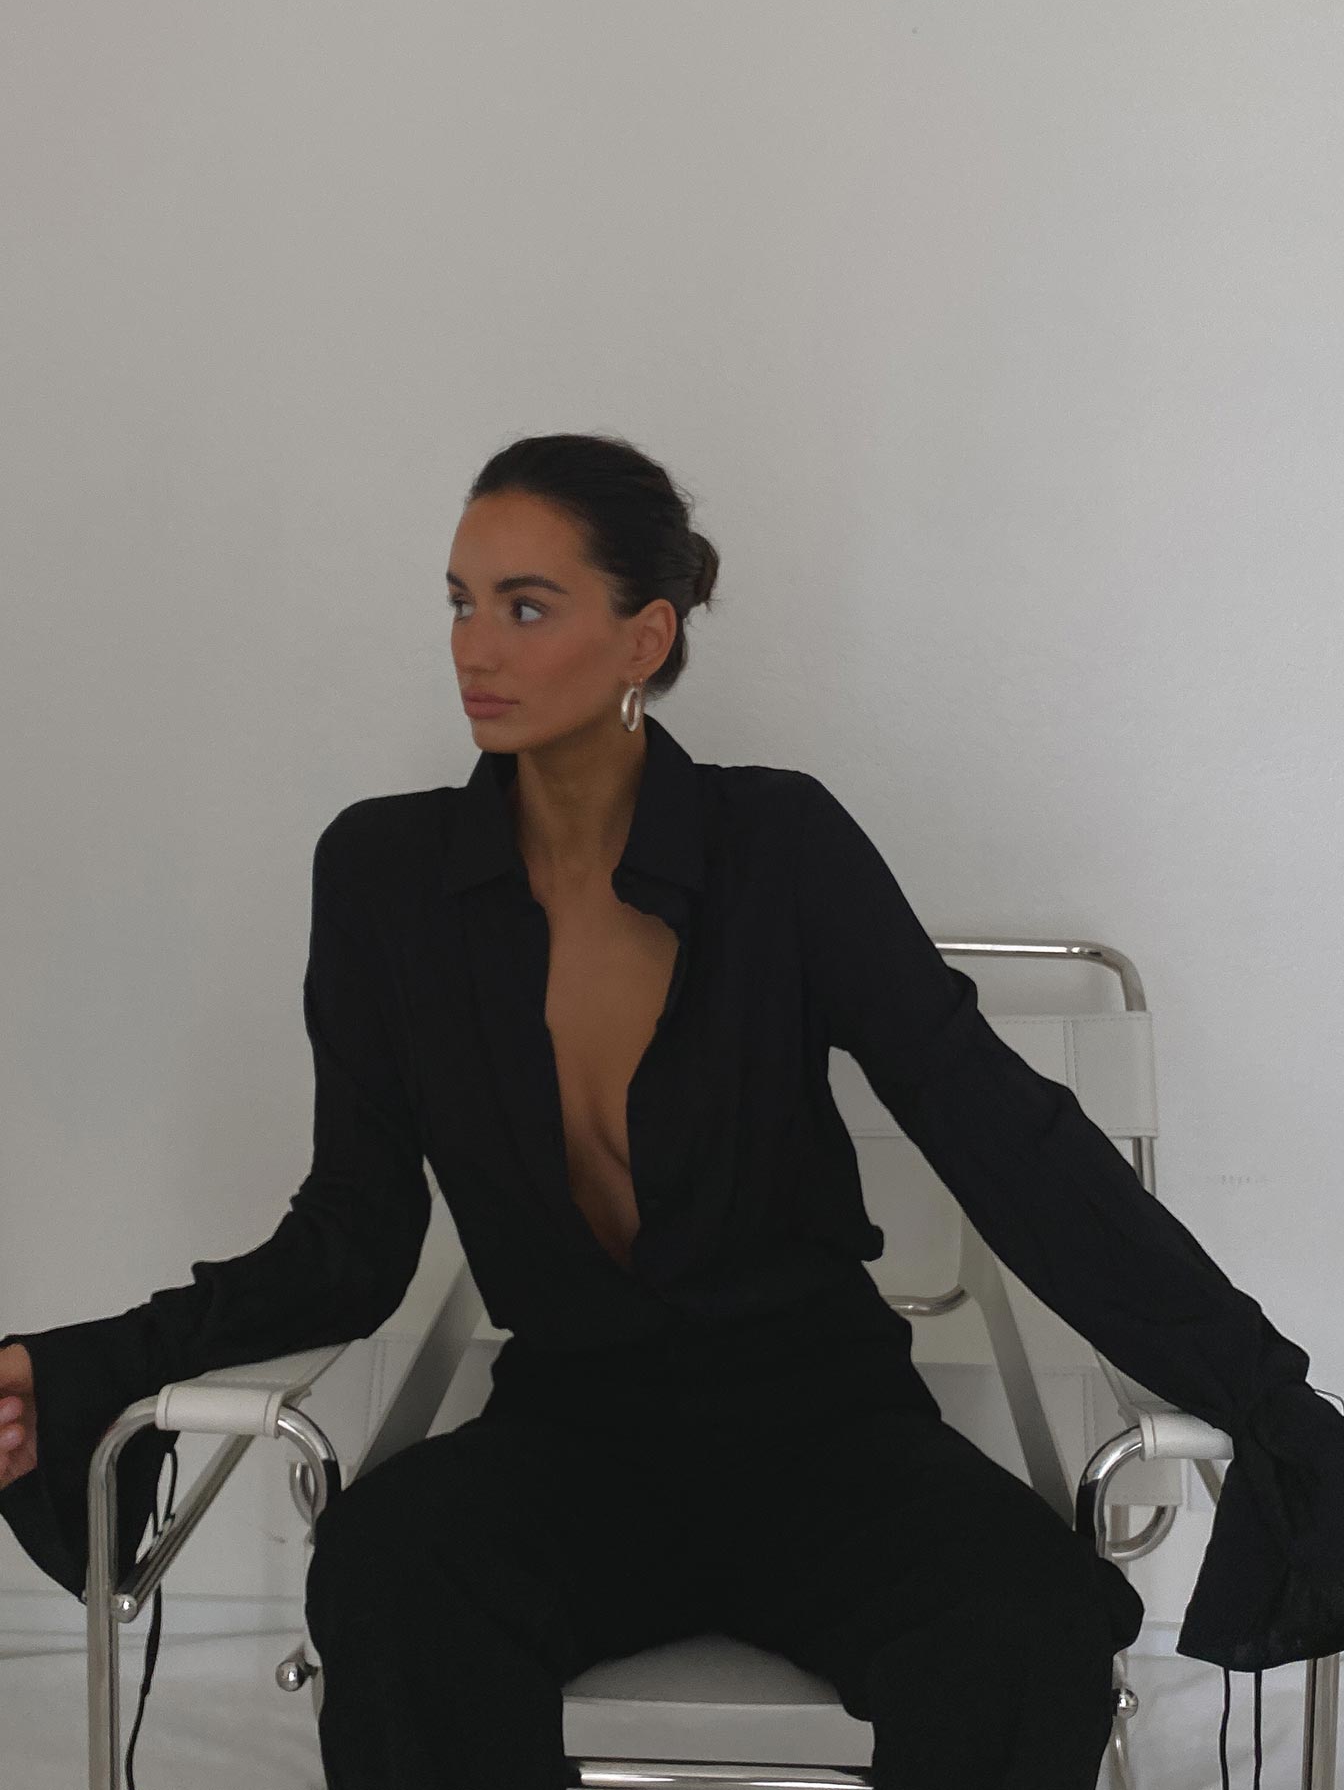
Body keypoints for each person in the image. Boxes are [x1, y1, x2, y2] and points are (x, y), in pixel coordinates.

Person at [3, 432, 1342, 1790]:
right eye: (461, 602)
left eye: (528, 607)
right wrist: (88, 1366)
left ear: (644, 638)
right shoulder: (385, 880)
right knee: (391, 1574)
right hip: (571, 1440)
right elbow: (351, 1236)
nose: (476, 648)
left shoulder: (781, 848)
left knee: (1026, 1626)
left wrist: (1267, 1396)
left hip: (828, 1434)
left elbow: (1007, 1139)